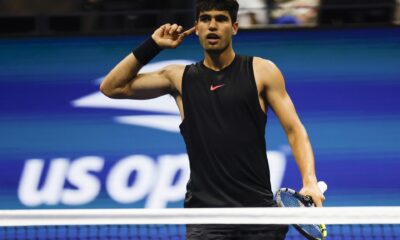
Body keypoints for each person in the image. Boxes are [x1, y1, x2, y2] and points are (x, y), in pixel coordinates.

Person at [100, 0, 325, 238]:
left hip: (259, 214)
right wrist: (153, 45)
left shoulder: (262, 71)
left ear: (234, 27)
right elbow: (111, 87)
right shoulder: (178, 78)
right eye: (205, 19)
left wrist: (309, 180)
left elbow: (294, 130)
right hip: (206, 218)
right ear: (196, 28)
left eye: (221, 19)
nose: (213, 26)